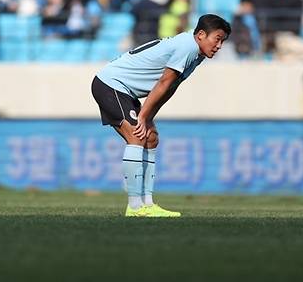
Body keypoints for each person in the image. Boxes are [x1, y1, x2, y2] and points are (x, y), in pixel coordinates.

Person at [91, 14, 231, 217]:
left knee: (151, 138)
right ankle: (135, 207)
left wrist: (147, 117)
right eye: (217, 38)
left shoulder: (196, 53)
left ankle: (148, 203)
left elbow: (170, 87)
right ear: (201, 34)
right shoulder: (188, 47)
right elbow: (164, 82)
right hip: (110, 84)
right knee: (137, 136)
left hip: (125, 91)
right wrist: (143, 117)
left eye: (222, 41)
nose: (219, 45)